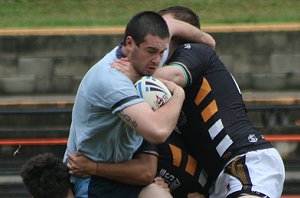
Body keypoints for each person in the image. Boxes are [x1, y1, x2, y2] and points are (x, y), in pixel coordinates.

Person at [84, 6, 286, 198]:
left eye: (165, 30)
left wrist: (134, 76)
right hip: (216, 180)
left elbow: (175, 76)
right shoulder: (161, 99)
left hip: (246, 159)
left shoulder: (194, 52)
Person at [63, 9, 222, 198]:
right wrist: (178, 93)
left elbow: (178, 29)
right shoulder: (111, 79)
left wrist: (206, 40)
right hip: (89, 176)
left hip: (122, 171)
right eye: (151, 52)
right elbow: (158, 132)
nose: (157, 60)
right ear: (129, 43)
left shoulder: (149, 52)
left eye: (162, 52)